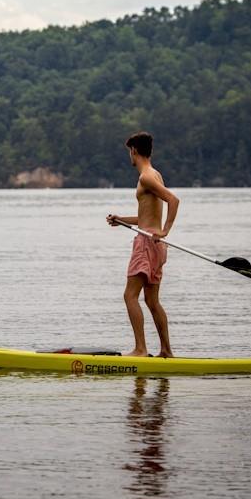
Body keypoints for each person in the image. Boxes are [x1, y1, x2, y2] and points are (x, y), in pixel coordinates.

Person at [105, 131, 180, 358]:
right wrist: (121, 220)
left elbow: (173, 200)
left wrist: (166, 230)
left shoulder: (146, 177)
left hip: (147, 243)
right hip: (156, 244)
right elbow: (147, 218)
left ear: (134, 151)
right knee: (151, 300)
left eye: (129, 151)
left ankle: (140, 349)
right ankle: (166, 351)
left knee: (130, 296)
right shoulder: (155, 174)